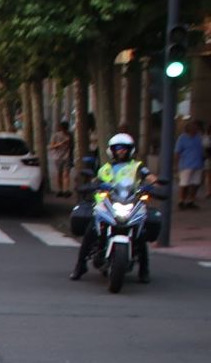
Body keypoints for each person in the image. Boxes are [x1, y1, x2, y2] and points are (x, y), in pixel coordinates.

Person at [72, 133, 159, 282]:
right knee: (91, 231)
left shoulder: (137, 166)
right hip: (106, 204)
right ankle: (80, 266)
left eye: (125, 148)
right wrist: (92, 186)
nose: (121, 151)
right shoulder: (105, 168)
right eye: (118, 148)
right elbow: (96, 181)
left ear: (130, 150)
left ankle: (144, 270)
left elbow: (150, 178)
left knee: (141, 234)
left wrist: (153, 185)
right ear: (112, 150)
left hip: (130, 202)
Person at [175, 119, 205, 209]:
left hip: (198, 164)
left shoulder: (198, 137)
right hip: (186, 164)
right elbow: (177, 152)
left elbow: (201, 149)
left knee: (195, 183)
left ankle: (191, 200)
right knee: (184, 184)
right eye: (193, 127)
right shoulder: (182, 138)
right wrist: (176, 165)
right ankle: (181, 200)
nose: (195, 128)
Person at [49, 120, 74, 197]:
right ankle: (60, 190)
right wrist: (62, 143)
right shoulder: (56, 136)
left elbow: (72, 146)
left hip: (67, 157)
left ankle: (66, 190)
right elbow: (52, 146)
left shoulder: (70, 135)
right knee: (59, 174)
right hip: (57, 157)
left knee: (66, 174)